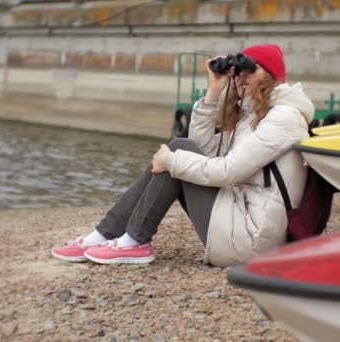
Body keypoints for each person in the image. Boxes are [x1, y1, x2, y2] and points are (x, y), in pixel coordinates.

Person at [52, 44, 314, 267]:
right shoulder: (256, 114)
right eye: (237, 72)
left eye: (249, 70)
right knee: (181, 149)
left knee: (177, 153)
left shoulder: (283, 118)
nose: (240, 78)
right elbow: (203, 151)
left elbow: (226, 171)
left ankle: (130, 239)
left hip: (255, 240)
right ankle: (109, 235)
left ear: (271, 76)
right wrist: (213, 93)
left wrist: (171, 161)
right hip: (243, 217)